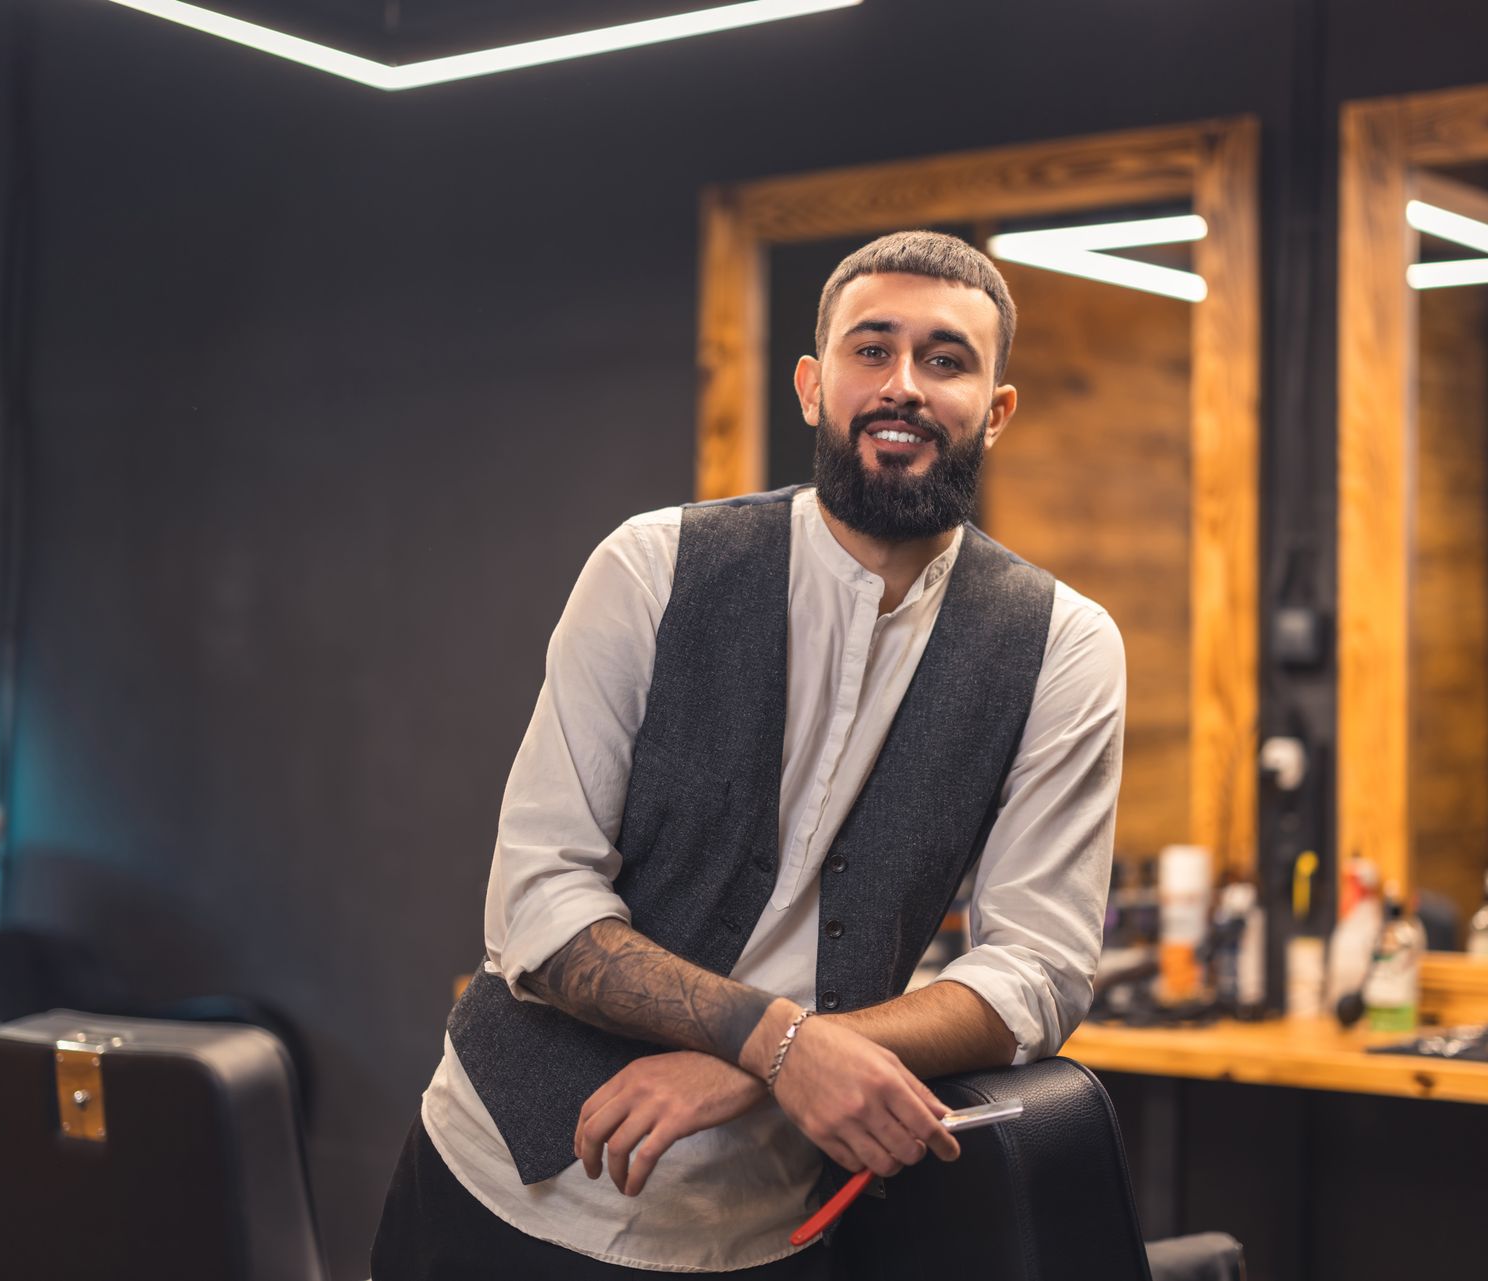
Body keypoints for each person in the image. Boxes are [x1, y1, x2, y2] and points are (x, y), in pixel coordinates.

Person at [372, 230, 1126, 1278]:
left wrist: (763, 1064)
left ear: (995, 410)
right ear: (813, 388)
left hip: (771, 1228)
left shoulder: (1062, 645)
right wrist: (779, 1043)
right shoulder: (653, 568)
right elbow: (539, 911)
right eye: (872, 350)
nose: (903, 385)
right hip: (506, 1190)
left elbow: (1040, 968)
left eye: (946, 360)